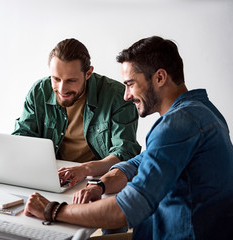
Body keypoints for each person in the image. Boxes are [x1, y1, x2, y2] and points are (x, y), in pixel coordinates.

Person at [24, 36, 233, 240]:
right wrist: (101, 185)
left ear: (160, 77)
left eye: (130, 84)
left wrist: (53, 210)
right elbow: (141, 161)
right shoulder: (202, 109)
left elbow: (126, 209)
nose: (126, 95)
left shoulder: (176, 124)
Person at [12, 38, 141, 186]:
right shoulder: (39, 91)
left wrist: (84, 169)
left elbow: (124, 153)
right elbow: (22, 137)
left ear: (88, 73)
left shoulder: (118, 97)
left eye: (71, 80)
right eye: (56, 79)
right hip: (55, 179)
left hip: (97, 181)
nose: (62, 89)